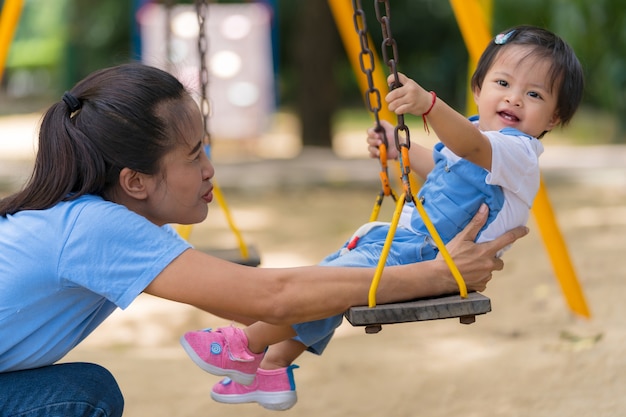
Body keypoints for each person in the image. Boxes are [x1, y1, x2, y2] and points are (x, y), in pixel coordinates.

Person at [0, 63, 527, 417]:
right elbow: (272, 297)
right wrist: (438, 273)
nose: (210, 170)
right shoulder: (96, 228)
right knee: (84, 396)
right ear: (135, 181)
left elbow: (275, 291)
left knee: (82, 390)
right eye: (193, 157)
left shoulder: (86, 216)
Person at [179, 25, 584, 411]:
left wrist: (428, 105)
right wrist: (398, 149)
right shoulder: (480, 139)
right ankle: (272, 368)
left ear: (552, 119)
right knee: (327, 285)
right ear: (478, 90)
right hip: (406, 241)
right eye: (503, 83)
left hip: (426, 255)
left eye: (533, 94)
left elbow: (470, 146)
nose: (513, 99)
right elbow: (447, 165)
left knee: (324, 288)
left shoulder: (518, 152)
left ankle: (243, 345)